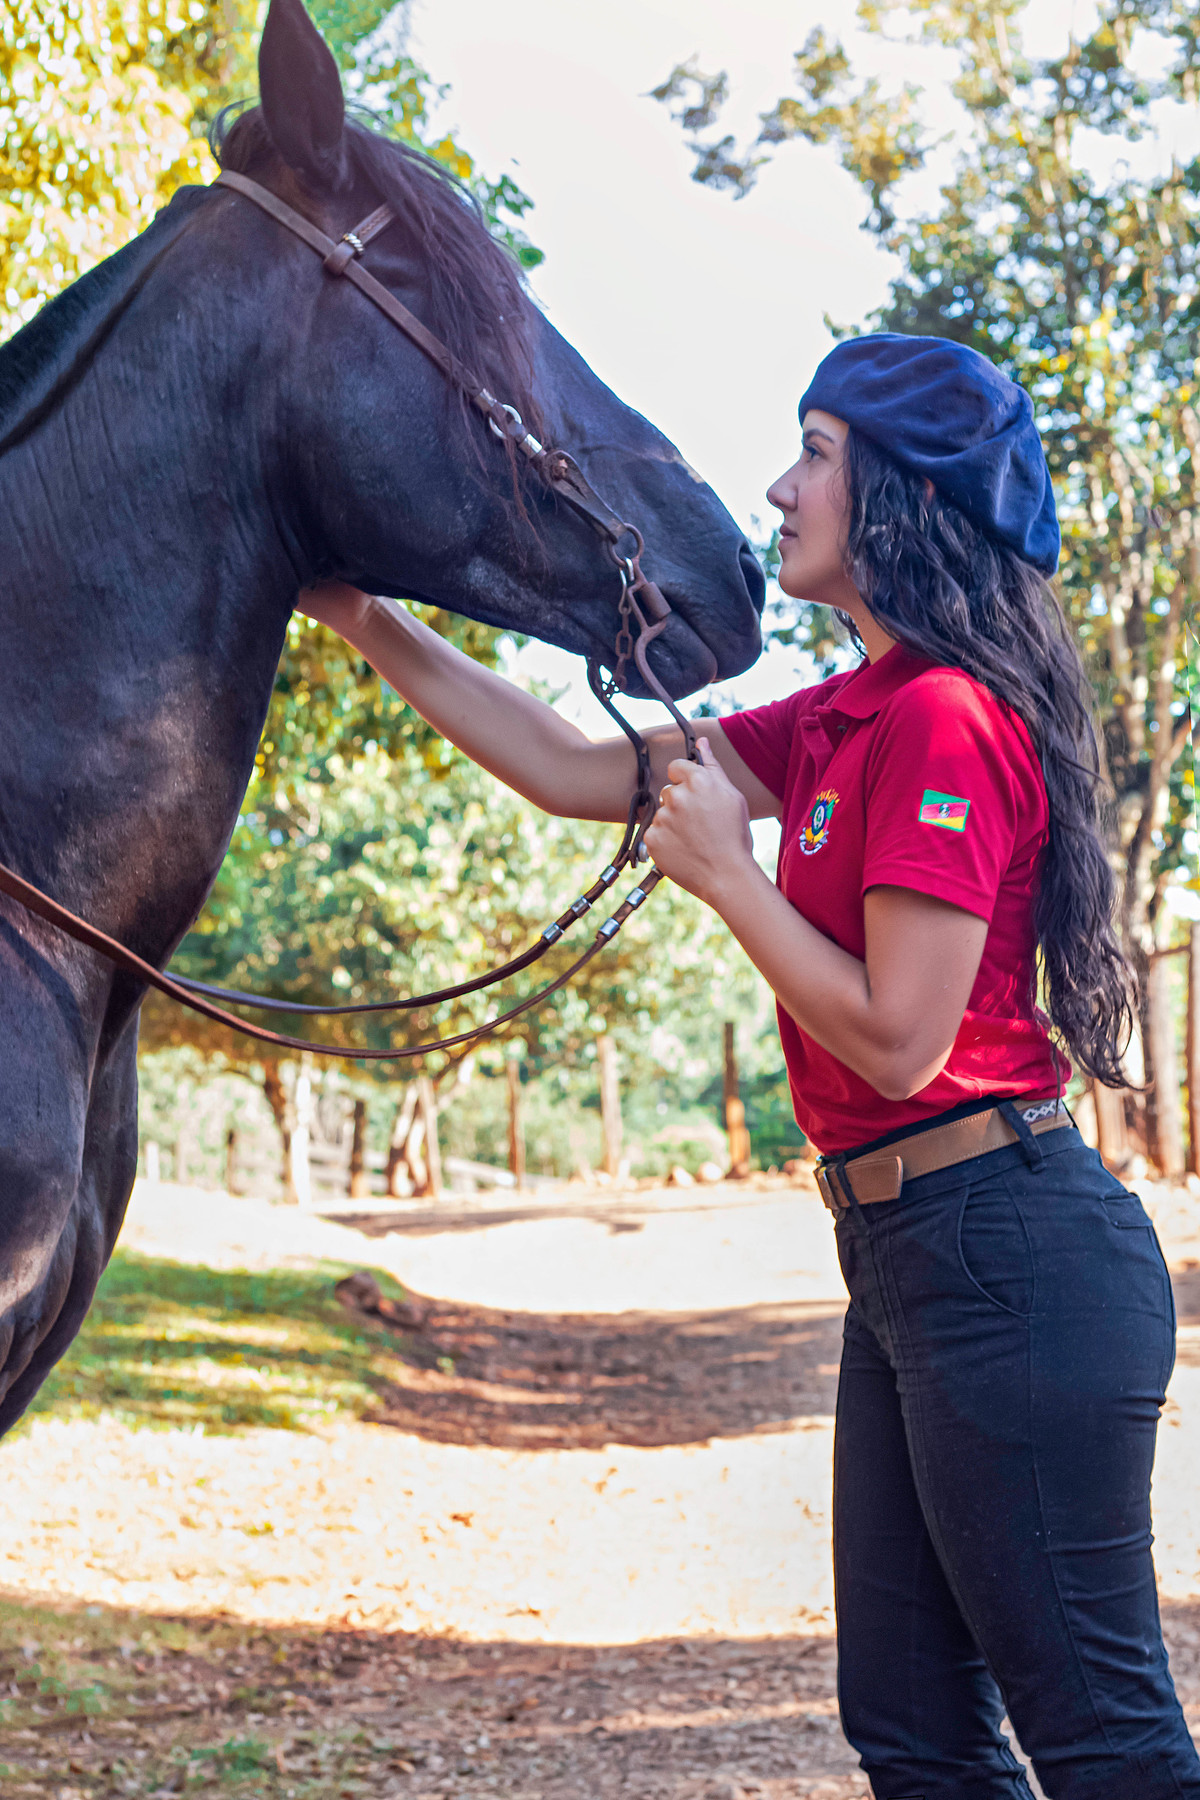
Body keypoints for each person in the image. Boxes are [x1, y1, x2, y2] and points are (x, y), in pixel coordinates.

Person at [301, 333, 1198, 1799]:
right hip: (915, 1253)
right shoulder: (850, 714)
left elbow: (903, 1041)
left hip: (1007, 1252)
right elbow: (572, 768)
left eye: (818, 455)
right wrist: (356, 613)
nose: (778, 489)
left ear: (900, 495)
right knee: (915, 1735)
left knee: (1102, 1741)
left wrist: (731, 878)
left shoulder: (945, 722)